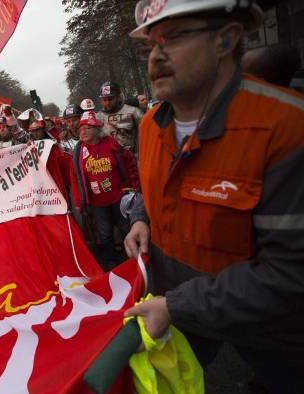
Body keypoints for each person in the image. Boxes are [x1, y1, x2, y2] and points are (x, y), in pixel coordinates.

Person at [123, 1, 304, 392]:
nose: (156, 55)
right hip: (177, 310)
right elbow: (157, 186)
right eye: (151, 44)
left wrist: (177, 305)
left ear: (226, 39)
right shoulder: (151, 125)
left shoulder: (288, 128)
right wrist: (141, 215)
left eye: (173, 37)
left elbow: (291, 271)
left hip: (272, 328)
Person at [71, 111, 139, 270]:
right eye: (81, 129)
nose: (83, 131)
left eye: (87, 128)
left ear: (97, 129)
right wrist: (78, 201)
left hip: (118, 198)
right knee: (105, 233)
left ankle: (134, 256)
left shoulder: (110, 143)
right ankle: (111, 262)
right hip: (97, 203)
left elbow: (128, 161)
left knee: (126, 227)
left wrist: (132, 186)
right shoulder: (79, 151)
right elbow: (75, 177)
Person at [97, 81, 143, 154]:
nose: (107, 103)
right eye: (104, 100)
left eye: (110, 99)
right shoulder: (98, 117)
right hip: (111, 161)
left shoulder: (133, 112)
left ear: (118, 97)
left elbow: (147, 134)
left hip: (134, 159)